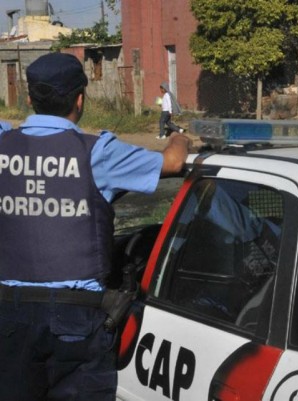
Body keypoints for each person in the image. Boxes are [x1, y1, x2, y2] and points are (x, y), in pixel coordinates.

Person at [0, 52, 191, 401]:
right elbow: (174, 162)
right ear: (79, 99)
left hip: (10, 318)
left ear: (29, 99)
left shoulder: (2, 145)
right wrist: (179, 137)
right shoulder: (98, 153)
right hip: (76, 317)